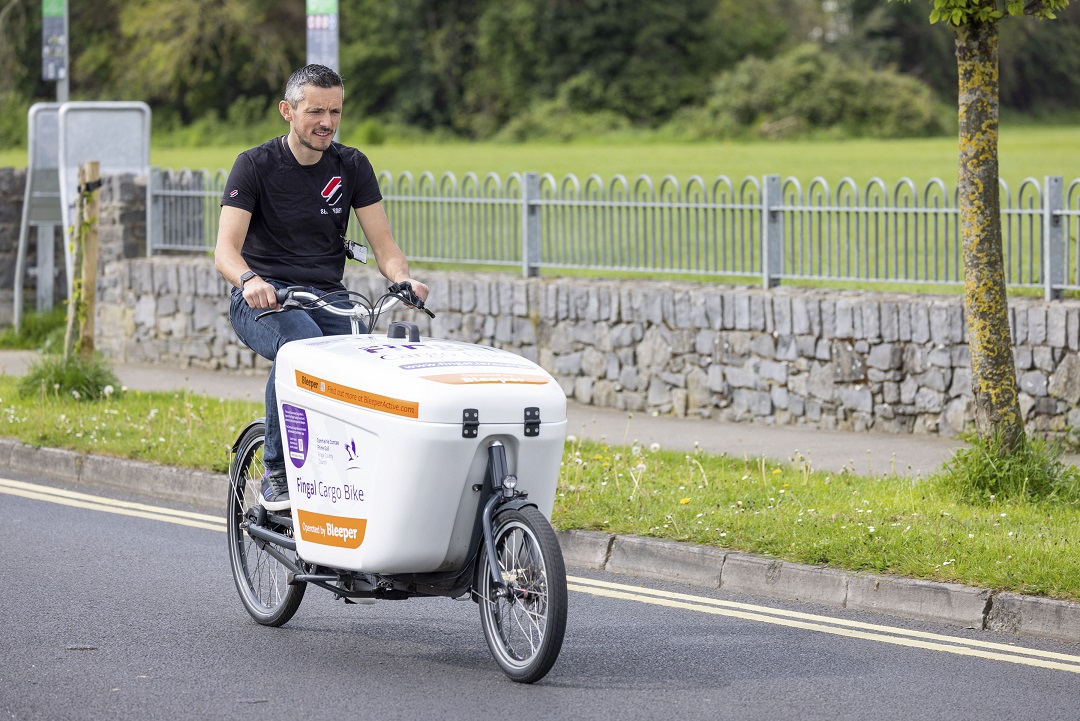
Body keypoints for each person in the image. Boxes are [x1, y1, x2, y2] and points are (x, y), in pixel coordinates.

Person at [214, 64, 429, 511]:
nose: (327, 122)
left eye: (335, 112)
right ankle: (276, 473)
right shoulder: (254, 165)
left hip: (328, 298)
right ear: (287, 111)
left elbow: (384, 246)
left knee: (366, 361)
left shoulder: (352, 165)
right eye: (315, 112)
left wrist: (401, 278)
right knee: (301, 347)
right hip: (264, 298)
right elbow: (225, 252)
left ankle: (350, 470)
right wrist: (250, 280)